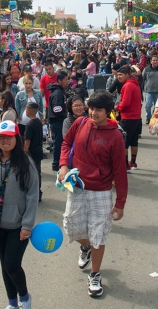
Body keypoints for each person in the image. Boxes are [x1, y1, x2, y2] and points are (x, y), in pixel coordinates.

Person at [58, 91, 128, 298]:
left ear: (108, 112)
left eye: (99, 110)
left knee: (99, 234)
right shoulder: (80, 123)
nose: (93, 113)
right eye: (92, 108)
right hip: (77, 186)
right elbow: (65, 143)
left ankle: (95, 274)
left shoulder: (115, 136)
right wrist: (63, 165)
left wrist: (120, 203)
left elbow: (120, 172)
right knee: (71, 227)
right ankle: (85, 247)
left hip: (102, 191)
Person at [0, 120, 38, 309]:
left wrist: (27, 225)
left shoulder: (25, 162)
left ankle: (25, 297)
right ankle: (12, 303)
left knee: (12, 265)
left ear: (16, 139)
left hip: (18, 226)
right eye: (1, 138)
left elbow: (32, 194)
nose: (5, 141)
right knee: (5, 266)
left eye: (9, 138)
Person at [115, 65, 143, 170]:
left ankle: (125, 164)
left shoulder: (127, 86)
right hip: (136, 117)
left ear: (127, 74)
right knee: (134, 141)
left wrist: (117, 108)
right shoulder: (135, 84)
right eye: (118, 75)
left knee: (124, 142)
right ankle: (133, 163)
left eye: (121, 75)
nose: (119, 77)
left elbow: (125, 103)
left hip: (128, 117)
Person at [48, 70, 70, 171]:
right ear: (59, 80)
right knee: (58, 142)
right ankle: (56, 163)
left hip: (59, 121)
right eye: (65, 80)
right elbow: (57, 109)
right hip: (57, 122)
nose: (67, 81)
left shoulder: (61, 91)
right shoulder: (57, 93)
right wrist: (64, 117)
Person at [23, 103, 45, 201]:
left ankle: (31, 192)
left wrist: (24, 152)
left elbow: (27, 141)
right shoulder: (38, 122)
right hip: (38, 151)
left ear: (27, 112)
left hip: (31, 153)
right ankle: (38, 192)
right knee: (37, 173)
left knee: (30, 174)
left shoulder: (29, 125)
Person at [142, 55, 158, 124]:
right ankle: (148, 117)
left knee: (157, 106)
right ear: (151, 61)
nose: (155, 62)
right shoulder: (146, 69)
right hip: (149, 91)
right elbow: (143, 78)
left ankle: (154, 117)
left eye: (156, 60)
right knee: (148, 105)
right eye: (153, 60)